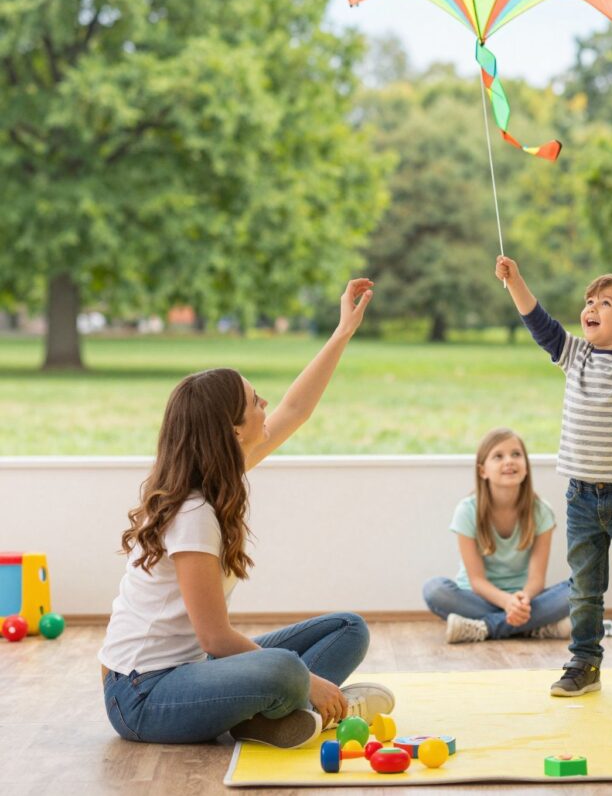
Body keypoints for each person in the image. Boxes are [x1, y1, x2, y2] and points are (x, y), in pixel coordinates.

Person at [99, 279, 393, 748]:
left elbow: (296, 409)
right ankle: (293, 703)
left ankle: (267, 716)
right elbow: (215, 638)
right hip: (143, 696)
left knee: (347, 629)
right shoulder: (193, 511)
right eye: (256, 402)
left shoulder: (220, 475)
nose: (266, 406)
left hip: (194, 672)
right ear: (232, 431)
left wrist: (342, 333)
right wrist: (305, 678)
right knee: (283, 669)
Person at [494, 250, 612, 701]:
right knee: (584, 589)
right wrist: (515, 280)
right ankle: (584, 663)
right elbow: (539, 322)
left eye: (604, 303)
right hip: (581, 496)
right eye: (589, 301)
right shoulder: (574, 355)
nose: (590, 308)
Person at [422, 427, 571, 643]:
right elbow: (477, 581)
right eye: (498, 456)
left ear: (526, 467)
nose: (509, 461)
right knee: (434, 590)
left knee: (579, 589)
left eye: (516, 454)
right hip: (478, 599)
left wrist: (522, 599)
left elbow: (537, 579)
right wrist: (507, 603)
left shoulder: (541, 511)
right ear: (483, 471)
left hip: (525, 600)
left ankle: (485, 627)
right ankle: (531, 627)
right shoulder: (467, 511)